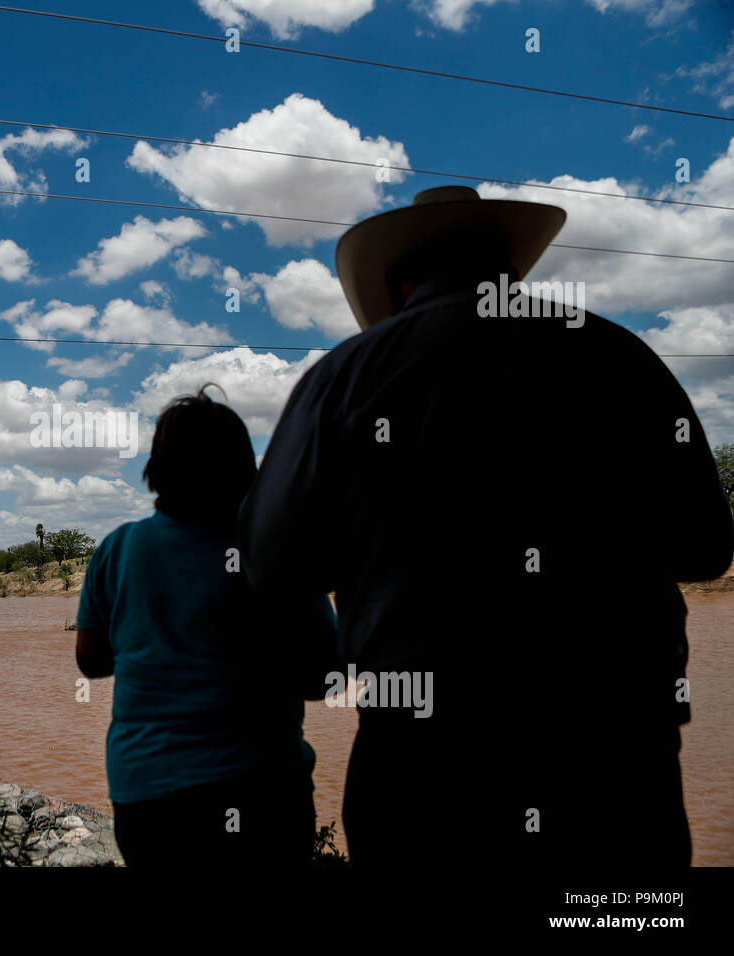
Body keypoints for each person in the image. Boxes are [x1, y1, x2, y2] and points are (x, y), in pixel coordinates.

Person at [239, 185, 734, 868]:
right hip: (620, 760)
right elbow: (706, 547)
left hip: (425, 767)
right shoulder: (624, 359)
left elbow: (270, 565)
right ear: (508, 264)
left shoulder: (342, 378)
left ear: (397, 281)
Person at [76, 386, 339, 867]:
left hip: (147, 795)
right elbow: (322, 678)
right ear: (244, 470)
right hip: (264, 790)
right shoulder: (275, 550)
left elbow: (91, 663)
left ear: (157, 472)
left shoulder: (116, 549)